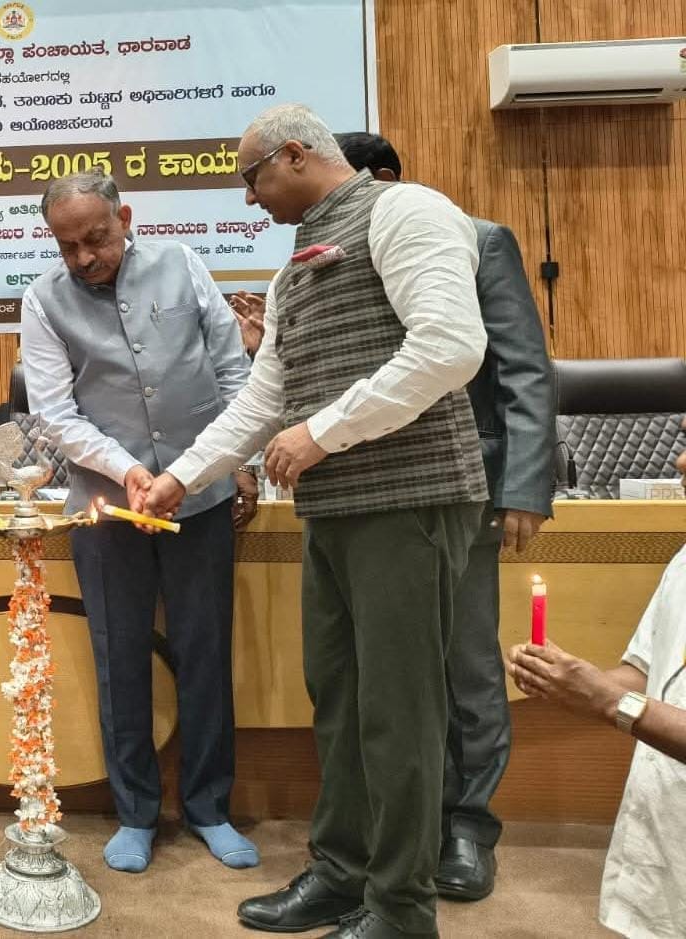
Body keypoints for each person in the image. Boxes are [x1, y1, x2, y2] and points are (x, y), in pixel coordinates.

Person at [143, 103, 489, 939]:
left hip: (409, 500)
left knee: (398, 711)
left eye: (252, 178)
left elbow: (450, 346)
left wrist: (322, 431)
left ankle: (401, 908)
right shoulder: (294, 268)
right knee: (338, 701)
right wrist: (182, 477)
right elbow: (262, 401)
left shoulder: (406, 211)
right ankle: (342, 872)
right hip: (334, 511)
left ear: (294, 155)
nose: (249, 198)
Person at [326, 131, 554, 901]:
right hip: (373, 491)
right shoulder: (337, 253)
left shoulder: (479, 240)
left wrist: (523, 486)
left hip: (468, 488)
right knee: (391, 675)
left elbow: (523, 369)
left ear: (385, 177)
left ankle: (469, 827)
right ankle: (407, 825)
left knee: (466, 665)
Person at [19, 171, 258, 874]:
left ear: (125, 218)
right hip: (108, 509)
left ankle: (209, 807)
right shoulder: (42, 300)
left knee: (204, 654)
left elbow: (233, 374)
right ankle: (135, 813)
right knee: (119, 659)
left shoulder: (183, 264)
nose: (84, 257)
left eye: (96, 238)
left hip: (201, 498)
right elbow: (55, 414)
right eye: (68, 246)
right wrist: (129, 470)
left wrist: (228, 464)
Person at [507, 450, 686, 939]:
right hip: (662, 845)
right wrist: (571, 683)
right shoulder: (682, 562)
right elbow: (645, 674)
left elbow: (621, 701)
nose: (680, 461)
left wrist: (607, 701)